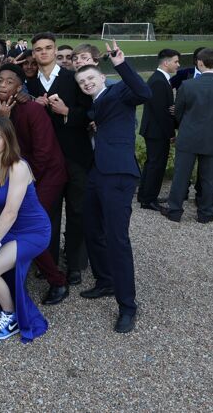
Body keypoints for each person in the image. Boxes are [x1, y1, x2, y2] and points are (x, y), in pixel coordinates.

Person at [74, 42, 151, 334]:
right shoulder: (93, 106)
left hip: (119, 173)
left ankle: (127, 306)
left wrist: (121, 64)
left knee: (118, 238)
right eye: (81, 81)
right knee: (91, 227)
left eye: (90, 78)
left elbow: (144, 93)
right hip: (97, 172)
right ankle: (105, 280)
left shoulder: (119, 92)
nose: (86, 83)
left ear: (102, 76)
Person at [0, 64, 70, 305]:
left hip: (46, 175)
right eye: (0, 81)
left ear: (19, 87)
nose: (3, 85)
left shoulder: (32, 110)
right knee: (20, 225)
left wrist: (25, 184)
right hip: (24, 175)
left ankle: (58, 281)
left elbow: (43, 153)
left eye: (10, 82)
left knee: (29, 227)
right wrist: (3, 120)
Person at [0, 117, 51, 342]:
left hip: (34, 230)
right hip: (9, 230)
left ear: (7, 140)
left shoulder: (18, 166)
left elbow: (10, 212)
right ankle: (5, 305)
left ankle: (11, 315)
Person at [25, 32, 91, 286]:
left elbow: (90, 113)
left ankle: (74, 264)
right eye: (38, 49)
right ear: (34, 53)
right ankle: (48, 263)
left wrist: (66, 112)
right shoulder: (30, 85)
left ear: (55, 51)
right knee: (47, 214)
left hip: (75, 157)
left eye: (48, 47)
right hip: (45, 162)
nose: (43, 52)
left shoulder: (72, 78)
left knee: (77, 212)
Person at [162, 48, 213, 224]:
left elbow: (178, 112)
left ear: (200, 62)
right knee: (210, 179)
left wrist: (187, 125)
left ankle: (174, 211)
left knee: (181, 176)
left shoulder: (188, 85)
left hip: (188, 136)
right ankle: (206, 214)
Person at [138, 49, 181, 210]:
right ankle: (149, 199)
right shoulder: (158, 81)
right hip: (156, 131)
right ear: (166, 62)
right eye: (176, 61)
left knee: (152, 163)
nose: (178, 65)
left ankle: (145, 195)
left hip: (155, 130)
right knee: (156, 165)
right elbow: (160, 112)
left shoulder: (161, 79)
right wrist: (170, 133)